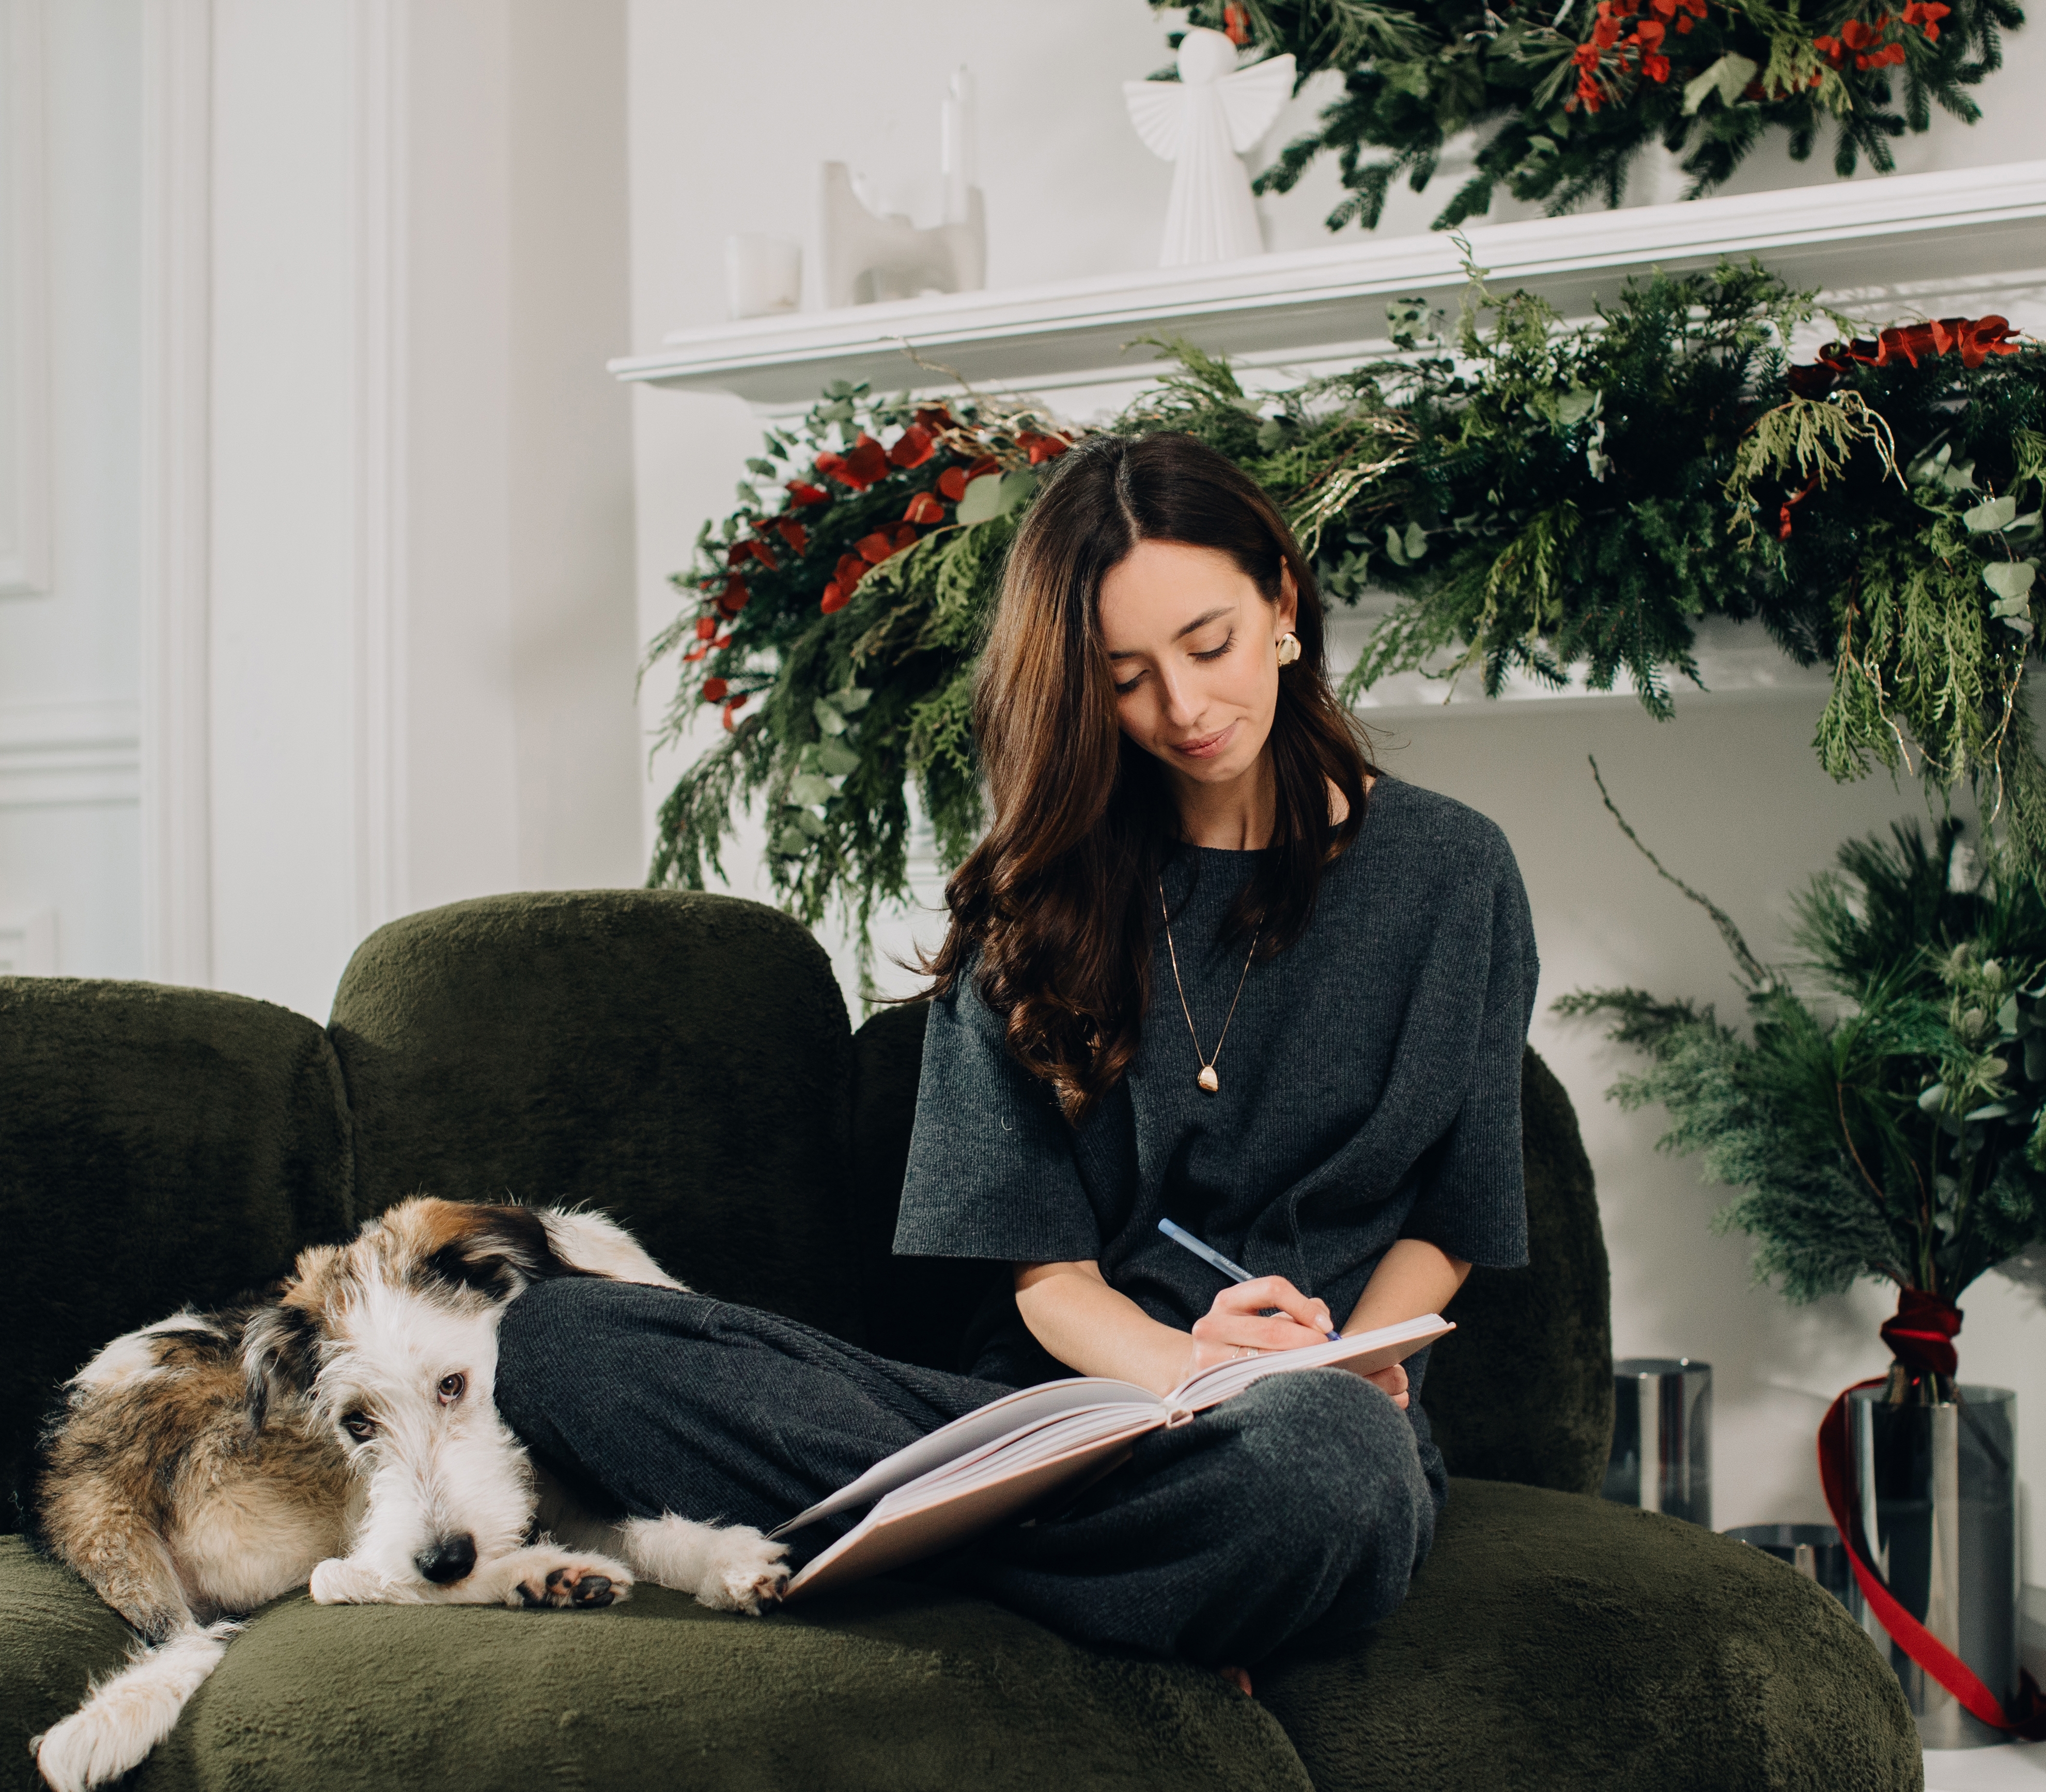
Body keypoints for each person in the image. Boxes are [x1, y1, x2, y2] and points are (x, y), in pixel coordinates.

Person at [498, 430, 1537, 1679]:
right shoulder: (1033, 897)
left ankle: (929, 1560)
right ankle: (1107, 1577)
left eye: (1208, 645)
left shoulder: (1456, 873)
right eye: (1126, 676)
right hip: (1045, 1416)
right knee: (557, 1343)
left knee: (1331, 1474)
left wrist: (1346, 1368)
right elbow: (1047, 1287)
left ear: (1282, 601)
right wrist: (1193, 1366)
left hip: (1314, 1423)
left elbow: (1456, 1217)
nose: (1185, 708)